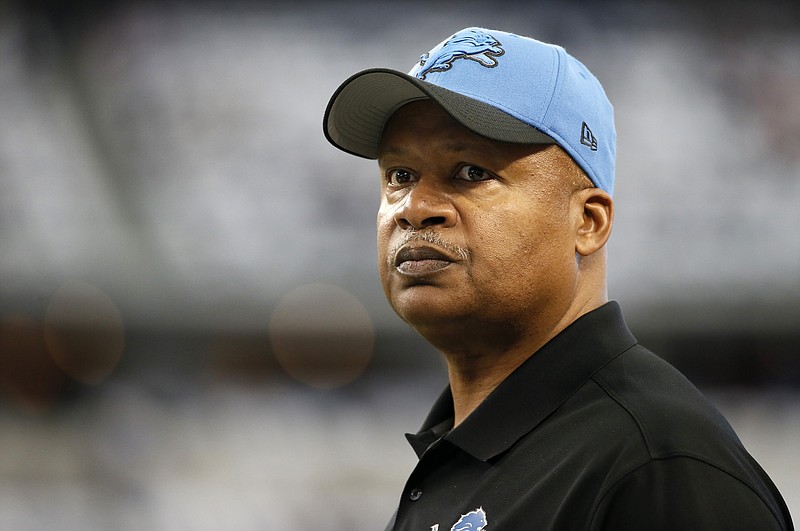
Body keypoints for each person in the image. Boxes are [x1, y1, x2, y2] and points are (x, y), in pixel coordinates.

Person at [323, 27, 794, 530]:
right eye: (400, 175)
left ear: (588, 222)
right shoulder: (464, 451)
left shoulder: (656, 464)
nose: (416, 208)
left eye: (470, 172)